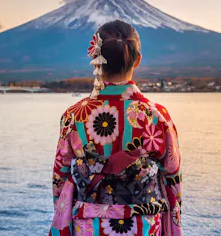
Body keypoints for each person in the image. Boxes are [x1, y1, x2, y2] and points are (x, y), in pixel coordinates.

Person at [49, 20, 182, 236]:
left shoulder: (74, 116)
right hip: (144, 226)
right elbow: (173, 180)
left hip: (89, 226)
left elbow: (60, 178)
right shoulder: (157, 116)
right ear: (137, 60)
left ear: (96, 59)